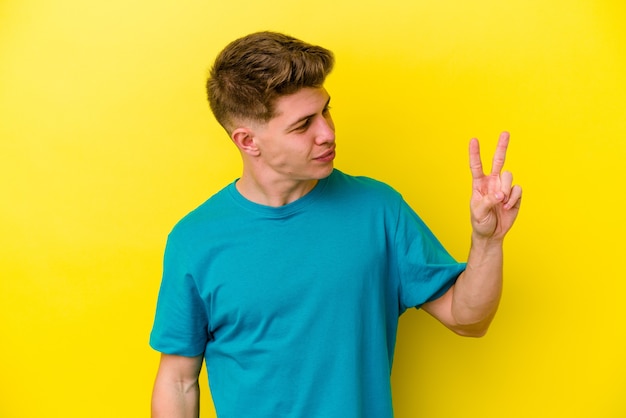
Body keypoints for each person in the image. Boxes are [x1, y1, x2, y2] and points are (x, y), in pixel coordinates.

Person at [149, 31, 522, 418]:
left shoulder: (377, 209)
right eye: (303, 124)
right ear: (248, 141)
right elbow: (178, 380)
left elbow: (468, 320)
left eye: (326, 110)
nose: (327, 132)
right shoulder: (195, 240)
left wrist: (488, 241)